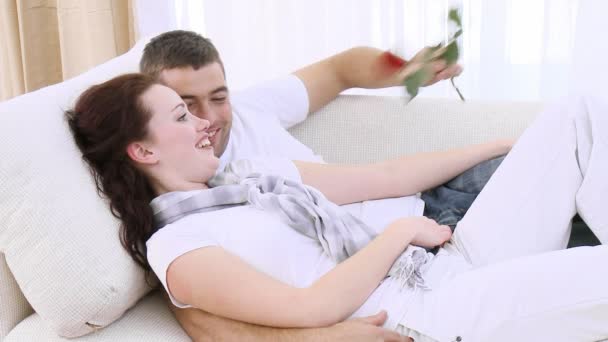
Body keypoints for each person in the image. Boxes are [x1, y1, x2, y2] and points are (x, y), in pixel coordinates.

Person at [66, 73, 608, 341]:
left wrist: (501, 146)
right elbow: (307, 311)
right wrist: (399, 233)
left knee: (578, 114)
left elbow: (383, 175)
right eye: (181, 117)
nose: (205, 122)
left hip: (447, 261)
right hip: (424, 313)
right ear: (143, 150)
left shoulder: (256, 176)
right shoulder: (179, 247)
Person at [137, 30, 504, 340]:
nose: (209, 119)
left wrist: (407, 69)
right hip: (406, 262)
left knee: (550, 151)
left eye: (219, 97)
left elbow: (340, 70)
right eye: (186, 108)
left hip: (425, 210)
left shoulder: (251, 124)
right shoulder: (184, 214)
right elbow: (198, 312)